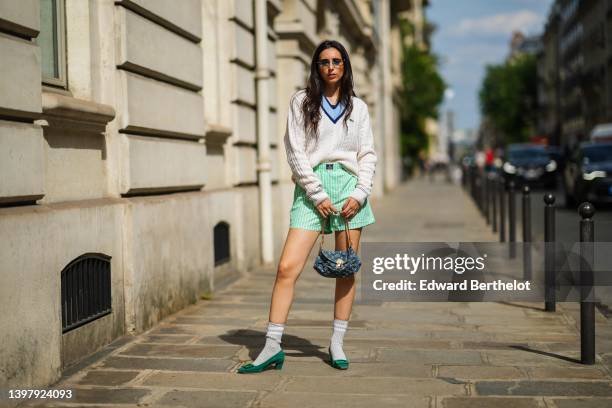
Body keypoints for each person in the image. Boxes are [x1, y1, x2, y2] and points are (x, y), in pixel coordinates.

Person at [237, 40, 377, 373]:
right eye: (324, 62)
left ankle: (337, 342)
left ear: (345, 66)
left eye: (337, 61)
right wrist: (316, 194)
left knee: (346, 269)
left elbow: (367, 154)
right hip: (311, 191)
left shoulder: (358, 108)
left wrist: (359, 192)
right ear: (316, 67)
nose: (331, 67)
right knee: (287, 267)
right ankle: (272, 346)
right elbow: (295, 151)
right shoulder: (301, 102)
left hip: (348, 190)